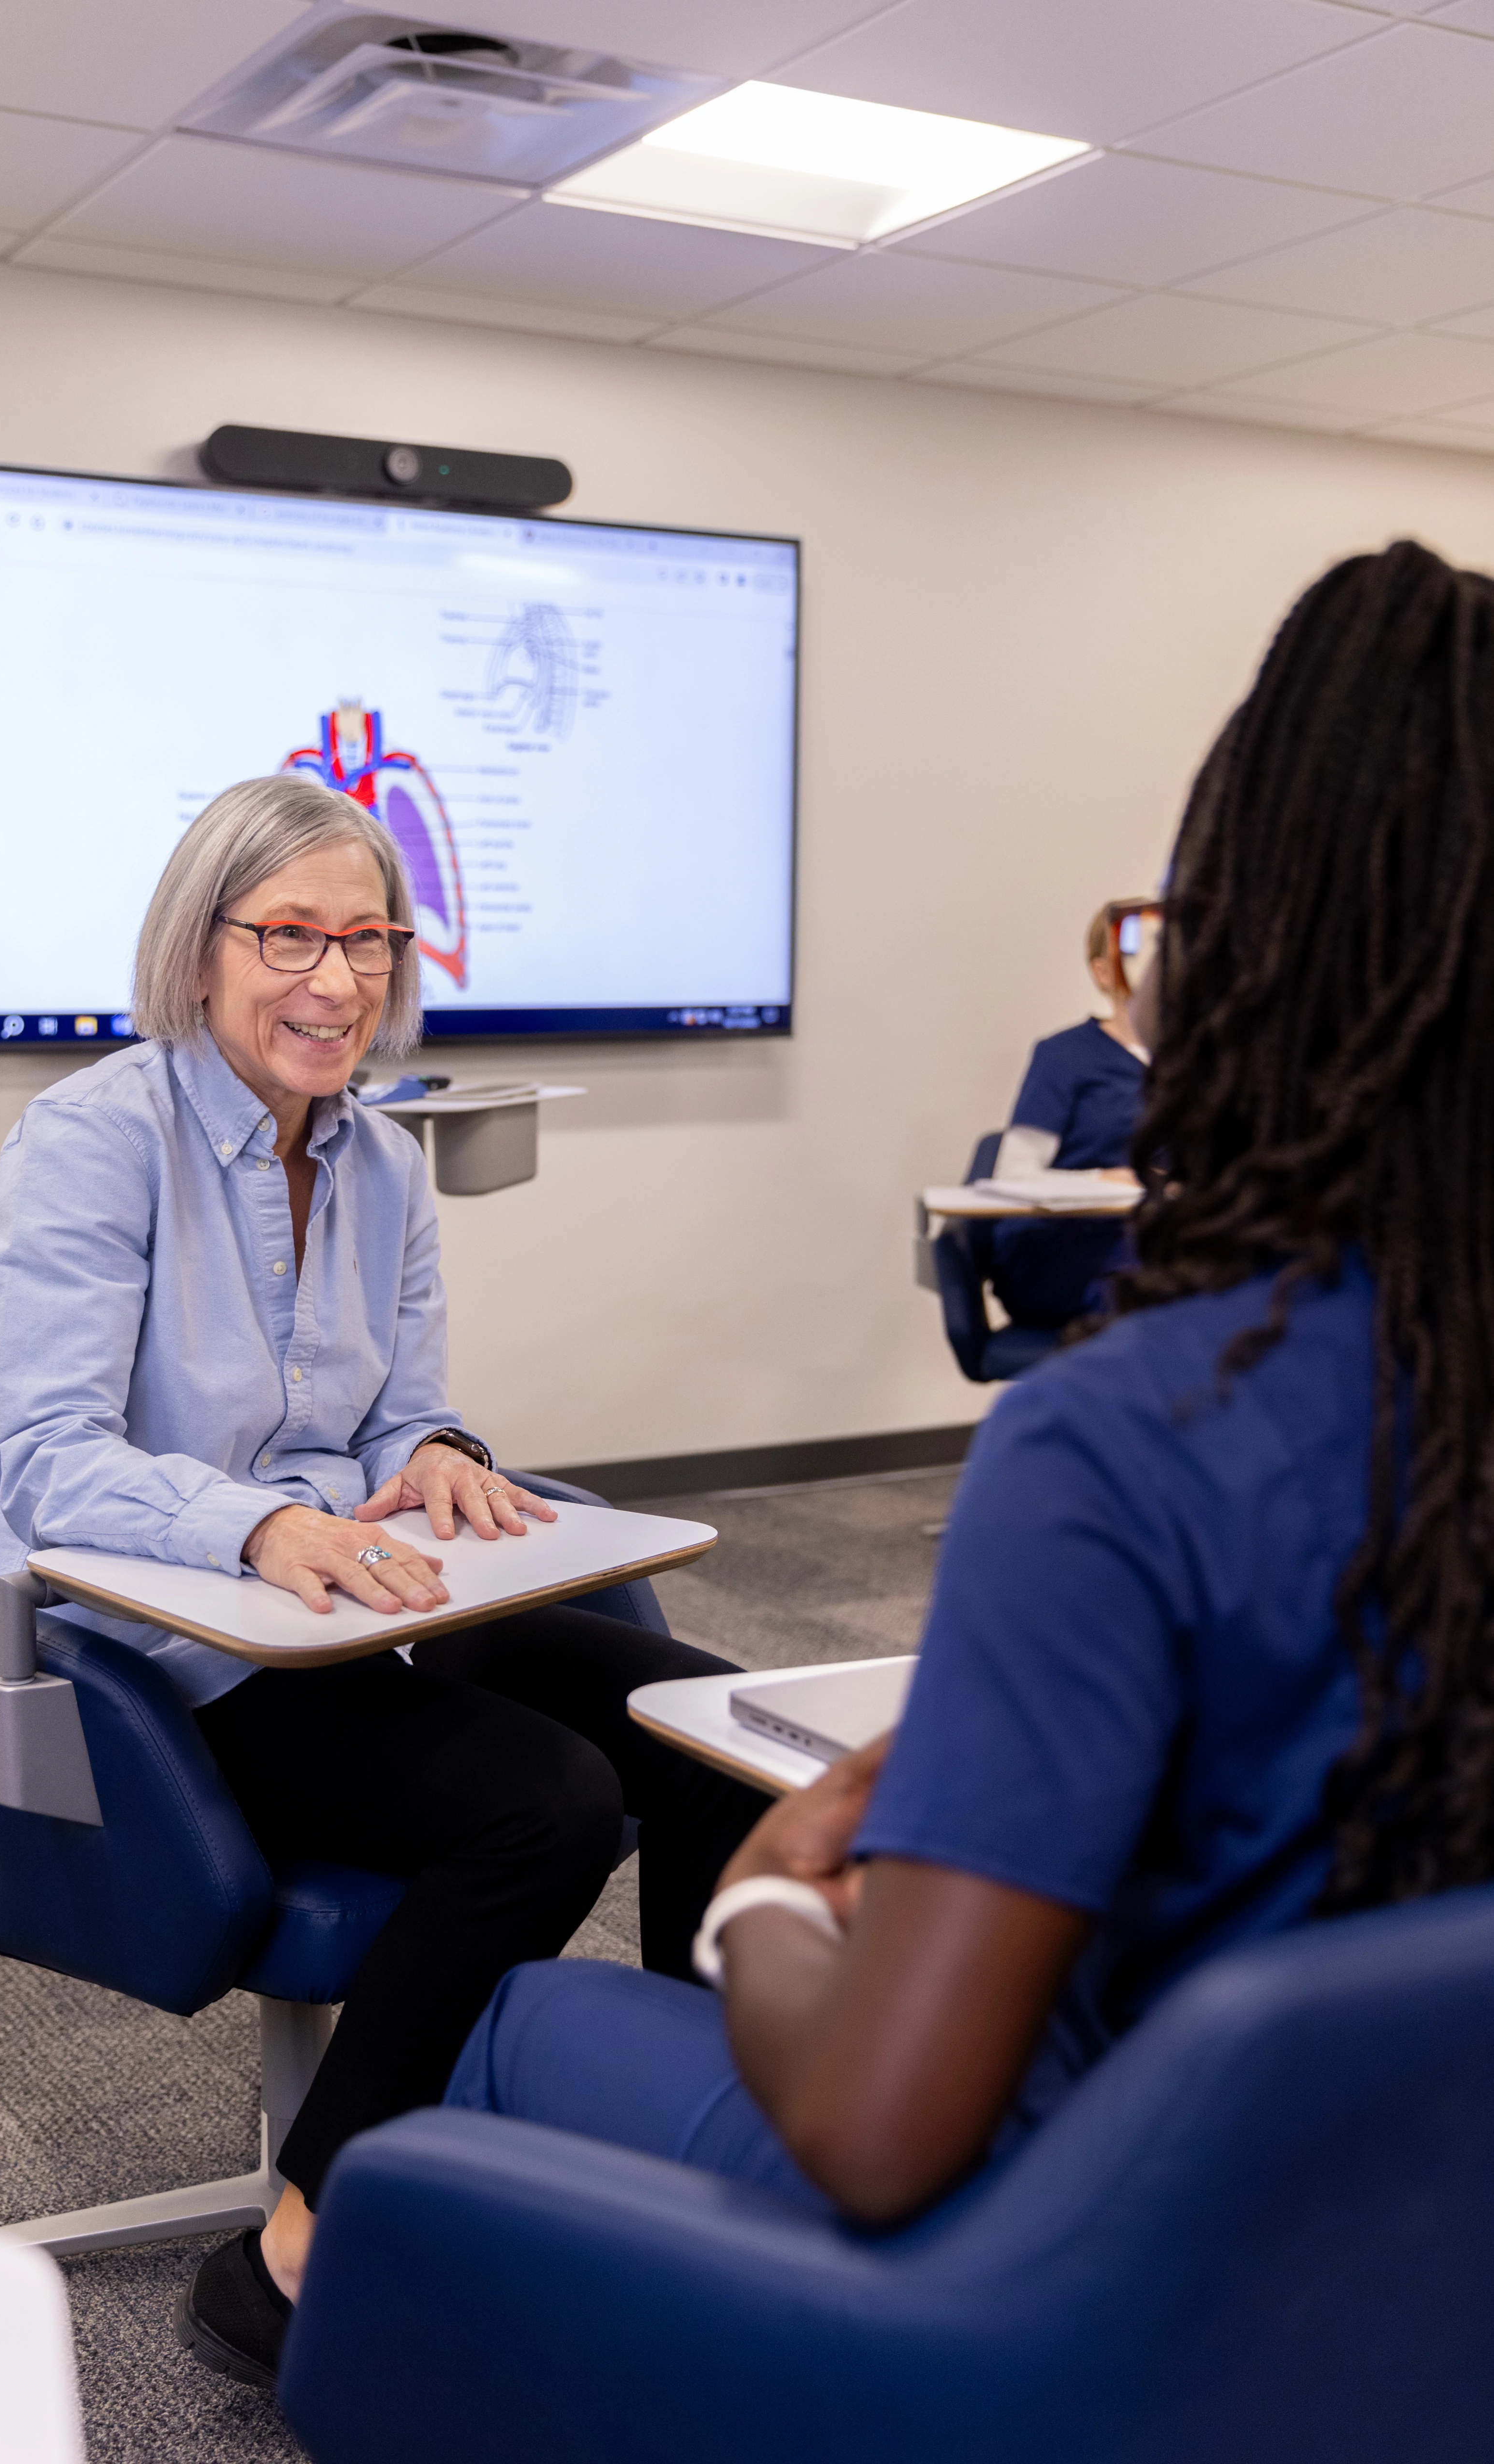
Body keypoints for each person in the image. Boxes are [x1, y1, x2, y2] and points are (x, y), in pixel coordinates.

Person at [442, 537, 1494, 2229]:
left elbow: (881, 2135)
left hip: (1120, 2278)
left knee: (529, 2023)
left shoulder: (1127, 1442)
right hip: (1413, 2259)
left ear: (1236, 939)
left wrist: (768, 1904)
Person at [0, 773, 768, 2381]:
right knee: (536, 1799)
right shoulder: (90, 1142)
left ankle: (699, 2180)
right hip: (175, 1654)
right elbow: (44, 1462)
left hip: (363, 1613)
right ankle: (293, 2246)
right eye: (290, 937)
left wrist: (445, 1451)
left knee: (712, 1726)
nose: (336, 983)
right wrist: (258, 1527)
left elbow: (399, 1403)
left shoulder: (381, 1162)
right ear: (199, 948)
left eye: (370, 941)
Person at [988, 902, 1151, 1330]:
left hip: (1152, 1239)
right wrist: (1100, 1180)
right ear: (1103, 972)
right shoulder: (1065, 1057)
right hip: (1063, 1248)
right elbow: (1014, 1176)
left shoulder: (1200, 1065)